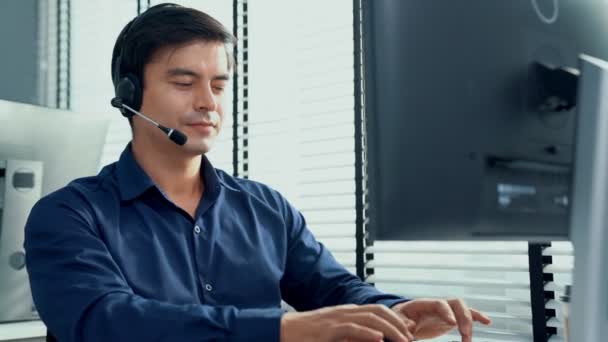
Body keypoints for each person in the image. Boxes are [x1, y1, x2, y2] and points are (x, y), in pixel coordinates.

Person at [24, 3, 491, 342]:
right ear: (129, 94)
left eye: (219, 85)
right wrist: (279, 329)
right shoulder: (68, 216)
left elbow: (333, 289)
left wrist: (394, 309)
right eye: (184, 83)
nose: (208, 102)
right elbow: (107, 323)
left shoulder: (265, 207)